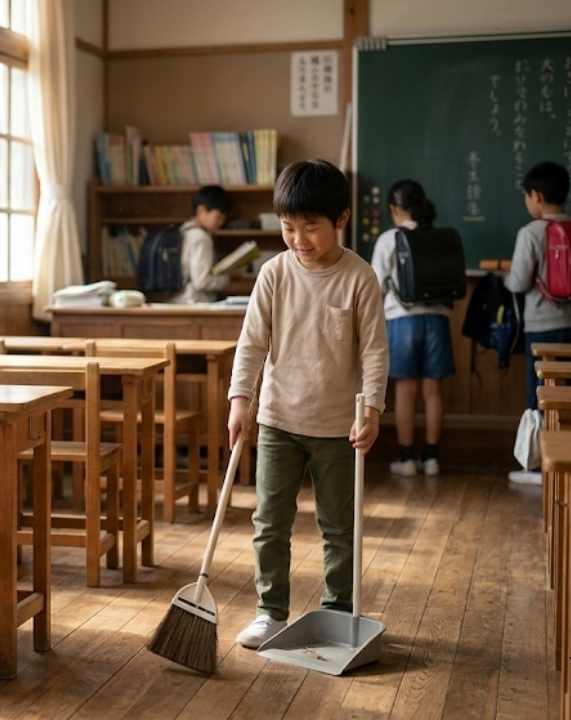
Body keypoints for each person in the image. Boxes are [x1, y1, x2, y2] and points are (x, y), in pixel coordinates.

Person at [227, 159, 389, 649]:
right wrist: (240, 398)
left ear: (340, 219)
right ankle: (270, 612)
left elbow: (375, 351)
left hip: (339, 424)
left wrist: (373, 411)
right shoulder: (274, 274)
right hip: (278, 419)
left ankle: (338, 612)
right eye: (287, 227)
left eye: (310, 228)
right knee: (269, 522)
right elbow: (251, 342)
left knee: (338, 527)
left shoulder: (359, 278)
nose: (298, 239)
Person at [503, 161, 571, 485]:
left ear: (536, 196)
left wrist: (507, 277)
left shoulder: (531, 232)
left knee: (538, 395)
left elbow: (519, 281)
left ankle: (539, 466)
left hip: (542, 328)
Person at [369, 180, 454, 477]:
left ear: (394, 208)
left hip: (401, 320)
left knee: (405, 391)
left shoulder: (389, 239)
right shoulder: (440, 236)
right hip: (437, 319)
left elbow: (376, 287)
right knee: (433, 391)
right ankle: (432, 459)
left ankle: (406, 460)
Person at [170, 185, 231, 304]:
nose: (221, 222)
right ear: (201, 210)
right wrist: (227, 279)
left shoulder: (183, 232)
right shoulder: (201, 237)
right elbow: (201, 281)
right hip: (195, 303)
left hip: (177, 300)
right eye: (218, 216)